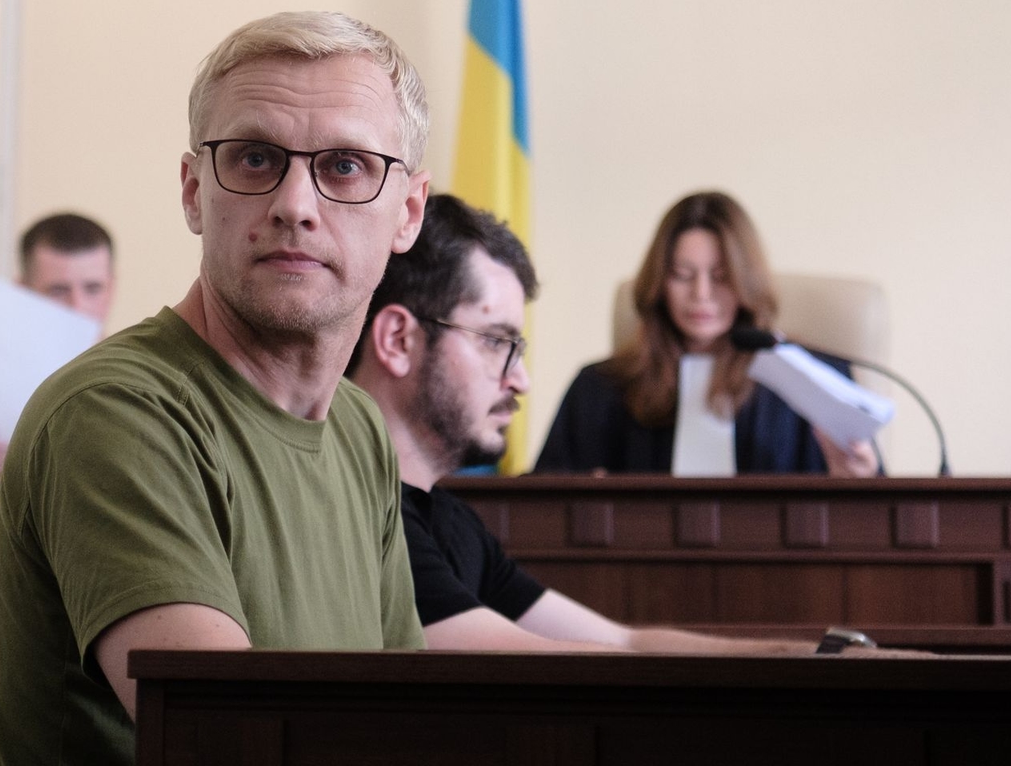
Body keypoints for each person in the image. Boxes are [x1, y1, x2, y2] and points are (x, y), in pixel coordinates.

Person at [0, 12, 431, 766]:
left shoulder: (358, 426)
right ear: (194, 193)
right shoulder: (116, 412)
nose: (295, 204)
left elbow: (409, 721)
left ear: (408, 213)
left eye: (346, 166)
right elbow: (231, 745)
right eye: (256, 159)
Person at [349, 193, 817, 653]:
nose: (521, 380)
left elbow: (626, 643)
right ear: (398, 340)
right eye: (495, 342)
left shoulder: (454, 525)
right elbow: (557, 664)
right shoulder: (357, 513)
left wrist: (815, 656)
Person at [534, 191, 880, 477]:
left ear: (747, 281)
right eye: (683, 275)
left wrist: (856, 484)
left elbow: (876, 527)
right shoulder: (597, 388)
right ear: (658, 284)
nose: (701, 294)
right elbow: (540, 516)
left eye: (720, 276)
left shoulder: (814, 382)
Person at [0, 212, 116, 475]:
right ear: (22, 290)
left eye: (92, 289)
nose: (77, 307)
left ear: (112, 288)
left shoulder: (138, 375)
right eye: (58, 290)